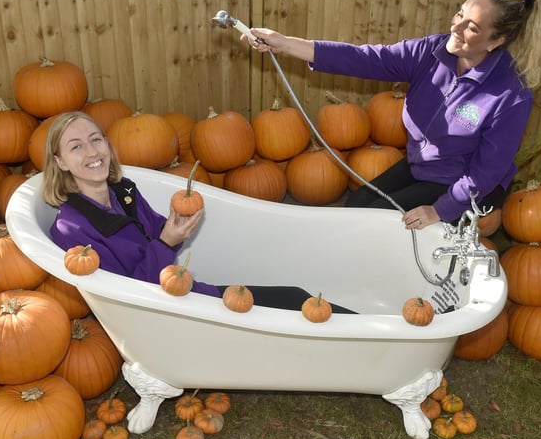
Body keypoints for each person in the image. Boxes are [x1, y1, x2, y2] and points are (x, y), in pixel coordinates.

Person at [246, 0, 541, 230]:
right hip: (423, 167)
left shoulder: (510, 95)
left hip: (463, 184)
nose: (457, 27)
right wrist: (285, 43)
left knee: (376, 224)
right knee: (355, 208)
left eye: (473, 27)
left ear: (496, 41)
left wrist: (439, 210)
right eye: (461, 13)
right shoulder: (432, 52)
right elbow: (364, 59)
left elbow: (485, 175)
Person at [42, 111, 354, 312]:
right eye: (76, 146)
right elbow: (128, 299)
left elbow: (156, 233)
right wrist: (166, 242)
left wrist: (174, 227)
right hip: (173, 313)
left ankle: (378, 328)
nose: (93, 152)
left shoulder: (123, 191)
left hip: (183, 293)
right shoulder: (73, 229)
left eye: (96, 140)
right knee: (293, 303)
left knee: (293, 296)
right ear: (60, 162)